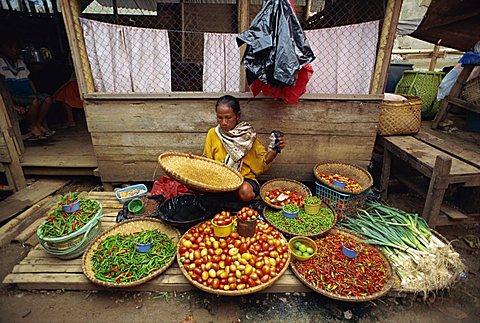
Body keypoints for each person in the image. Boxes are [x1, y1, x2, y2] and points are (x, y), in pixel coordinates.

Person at [203, 95, 286, 202]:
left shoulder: (247, 136)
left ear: (237, 116)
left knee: (245, 191)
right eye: (220, 118)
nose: (224, 122)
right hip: (220, 179)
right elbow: (207, 161)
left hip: (244, 179)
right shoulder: (213, 133)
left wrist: (275, 149)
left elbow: (262, 162)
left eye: (228, 117)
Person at [0, 37, 54, 140]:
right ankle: (32, 126)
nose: (14, 50)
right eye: (10, 48)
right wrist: (13, 106)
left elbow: (29, 80)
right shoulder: (1, 62)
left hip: (27, 94)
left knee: (47, 99)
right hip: (15, 96)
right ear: (3, 48)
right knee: (34, 101)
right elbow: (4, 89)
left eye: (16, 48)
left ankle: (37, 124)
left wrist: (35, 93)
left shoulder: (20, 62)